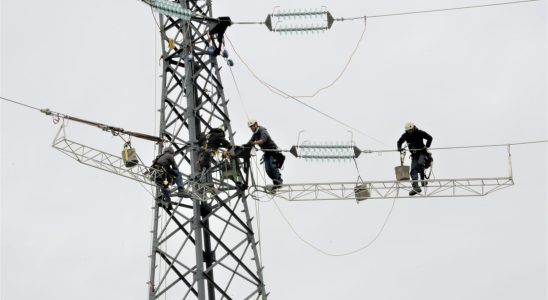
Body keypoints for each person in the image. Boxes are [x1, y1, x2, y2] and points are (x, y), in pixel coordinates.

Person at [397, 122, 433, 196]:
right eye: (408, 131)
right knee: (413, 171)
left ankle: (422, 180)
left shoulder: (419, 132)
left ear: (413, 128)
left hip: (422, 153)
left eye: (411, 130)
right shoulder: (405, 135)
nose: (410, 132)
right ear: (406, 131)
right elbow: (399, 142)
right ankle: (416, 187)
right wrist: (399, 148)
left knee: (420, 164)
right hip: (414, 155)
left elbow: (430, 138)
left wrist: (427, 146)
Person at [247, 119, 283, 189]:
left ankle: (279, 181)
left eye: (252, 126)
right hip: (267, 153)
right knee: (268, 170)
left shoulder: (262, 131)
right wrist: (245, 145)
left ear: (256, 124)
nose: (251, 128)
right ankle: (275, 183)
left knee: (273, 167)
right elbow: (250, 141)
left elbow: (262, 141)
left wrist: (254, 143)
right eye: (250, 127)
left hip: (273, 151)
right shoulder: (255, 134)